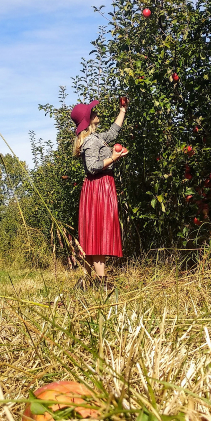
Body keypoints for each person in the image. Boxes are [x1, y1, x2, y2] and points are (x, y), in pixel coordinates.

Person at [70, 98, 128, 291]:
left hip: (97, 188)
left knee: (92, 233)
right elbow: (93, 167)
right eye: (92, 112)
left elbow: (113, 132)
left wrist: (122, 110)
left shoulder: (95, 138)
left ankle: (85, 281)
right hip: (98, 187)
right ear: (88, 119)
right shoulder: (90, 141)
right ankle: (101, 283)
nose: (96, 112)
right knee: (98, 232)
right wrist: (113, 157)